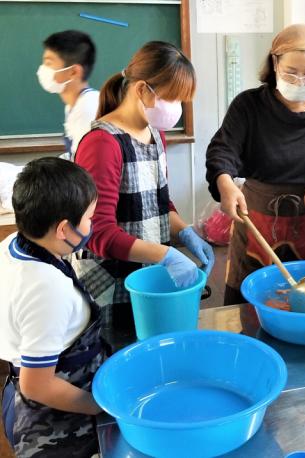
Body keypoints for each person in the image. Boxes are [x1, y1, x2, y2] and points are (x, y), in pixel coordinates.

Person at [205, 24, 305, 305]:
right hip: (256, 220)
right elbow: (222, 151)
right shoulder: (249, 105)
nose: (300, 80)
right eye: (290, 72)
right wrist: (224, 181)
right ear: (274, 63)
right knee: (247, 305)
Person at [74, 41, 213, 339]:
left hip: (146, 275)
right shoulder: (102, 144)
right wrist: (165, 255)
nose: (176, 109)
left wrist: (186, 232)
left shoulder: (154, 133)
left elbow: (159, 202)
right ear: (141, 90)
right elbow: (97, 234)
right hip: (113, 285)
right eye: (172, 98)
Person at [1, 158, 105, 457]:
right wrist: (99, 407)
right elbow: (38, 385)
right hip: (55, 420)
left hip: (19, 390)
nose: (91, 226)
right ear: (63, 229)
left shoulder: (14, 244)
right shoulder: (46, 289)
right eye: (89, 218)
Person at [37, 30, 99, 160]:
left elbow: (87, 168)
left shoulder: (88, 109)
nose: (42, 69)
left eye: (49, 63)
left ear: (74, 72)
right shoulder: (75, 105)